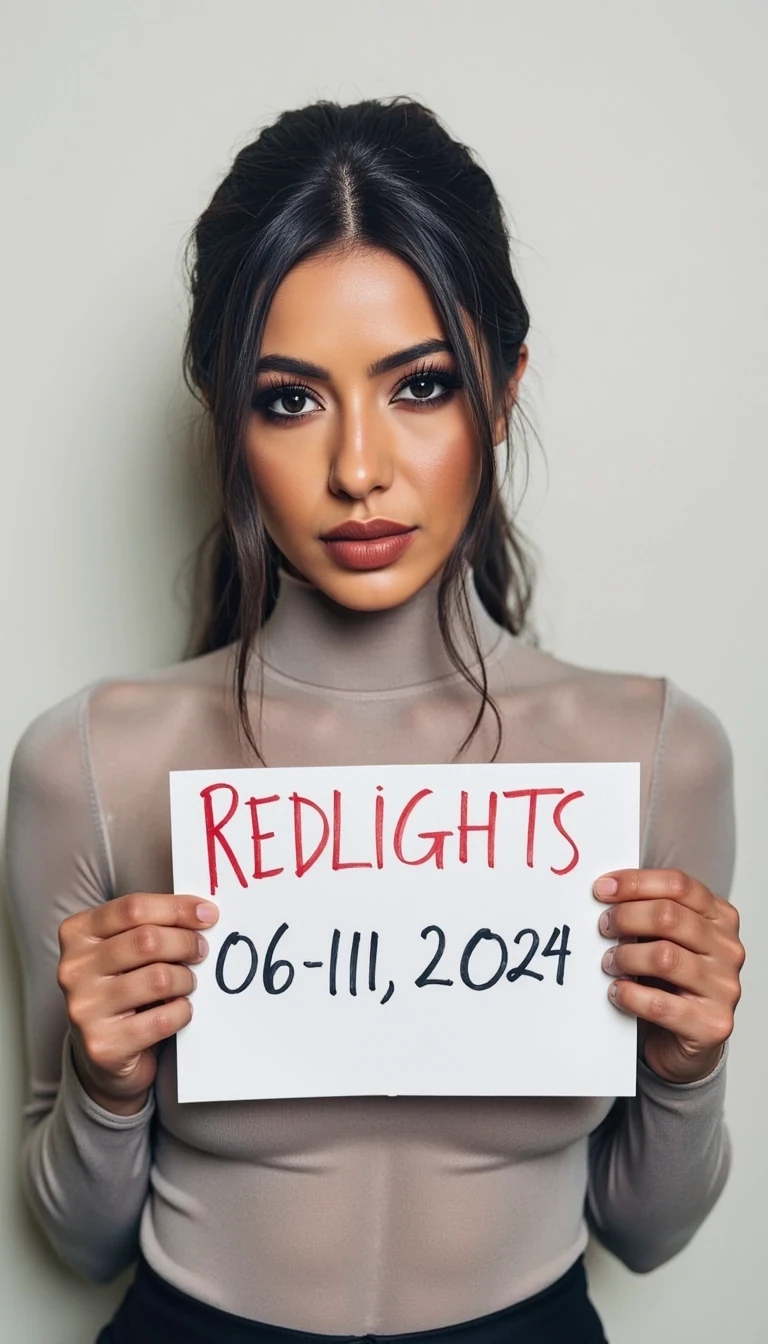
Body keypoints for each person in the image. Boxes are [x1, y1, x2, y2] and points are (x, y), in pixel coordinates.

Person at [5, 97, 745, 1344]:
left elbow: (648, 1233)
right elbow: (78, 1242)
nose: (360, 466)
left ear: (502, 391)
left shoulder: (658, 753)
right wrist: (107, 1081)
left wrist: (688, 1065)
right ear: (227, 419)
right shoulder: (94, 761)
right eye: (290, 399)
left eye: (422, 386)